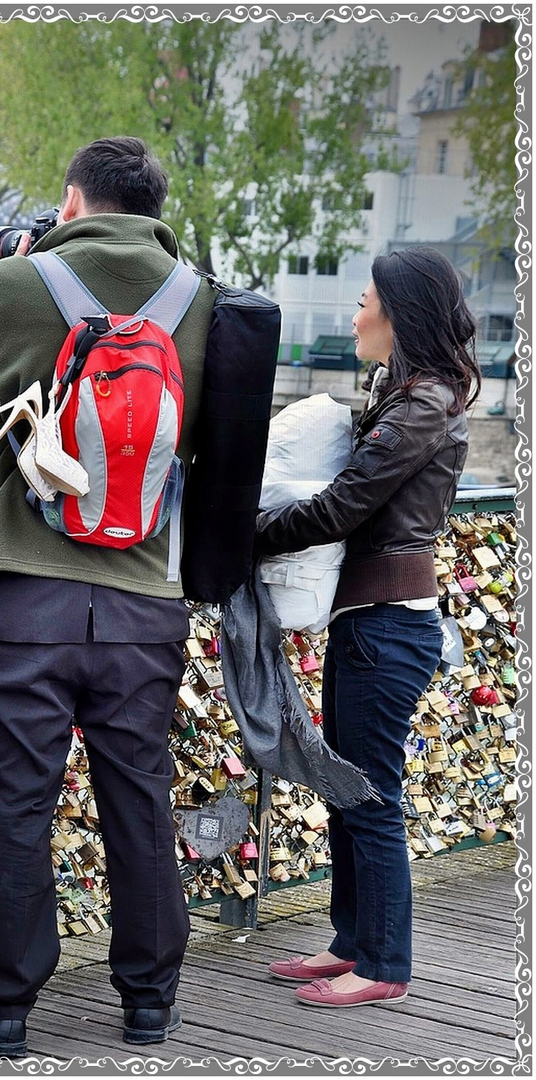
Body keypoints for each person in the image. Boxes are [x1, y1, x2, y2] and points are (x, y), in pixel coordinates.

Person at [0, 136, 218, 1056]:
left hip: (25, 598)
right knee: (139, 796)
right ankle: (149, 1001)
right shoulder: (211, 306)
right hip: (143, 604)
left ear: (72, 203)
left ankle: (1, 1008)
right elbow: (222, 461)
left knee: (18, 803)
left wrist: (5, 276)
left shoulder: (17, 285)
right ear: (151, 209)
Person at [255, 246, 477, 1009]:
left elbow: (341, 508)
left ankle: (383, 964)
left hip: (388, 625)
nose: (353, 315)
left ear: (397, 313)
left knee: (371, 794)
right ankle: (351, 941)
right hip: (371, 620)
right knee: (347, 789)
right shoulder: (403, 392)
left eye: (362, 301)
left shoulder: (422, 405)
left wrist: (239, 537)